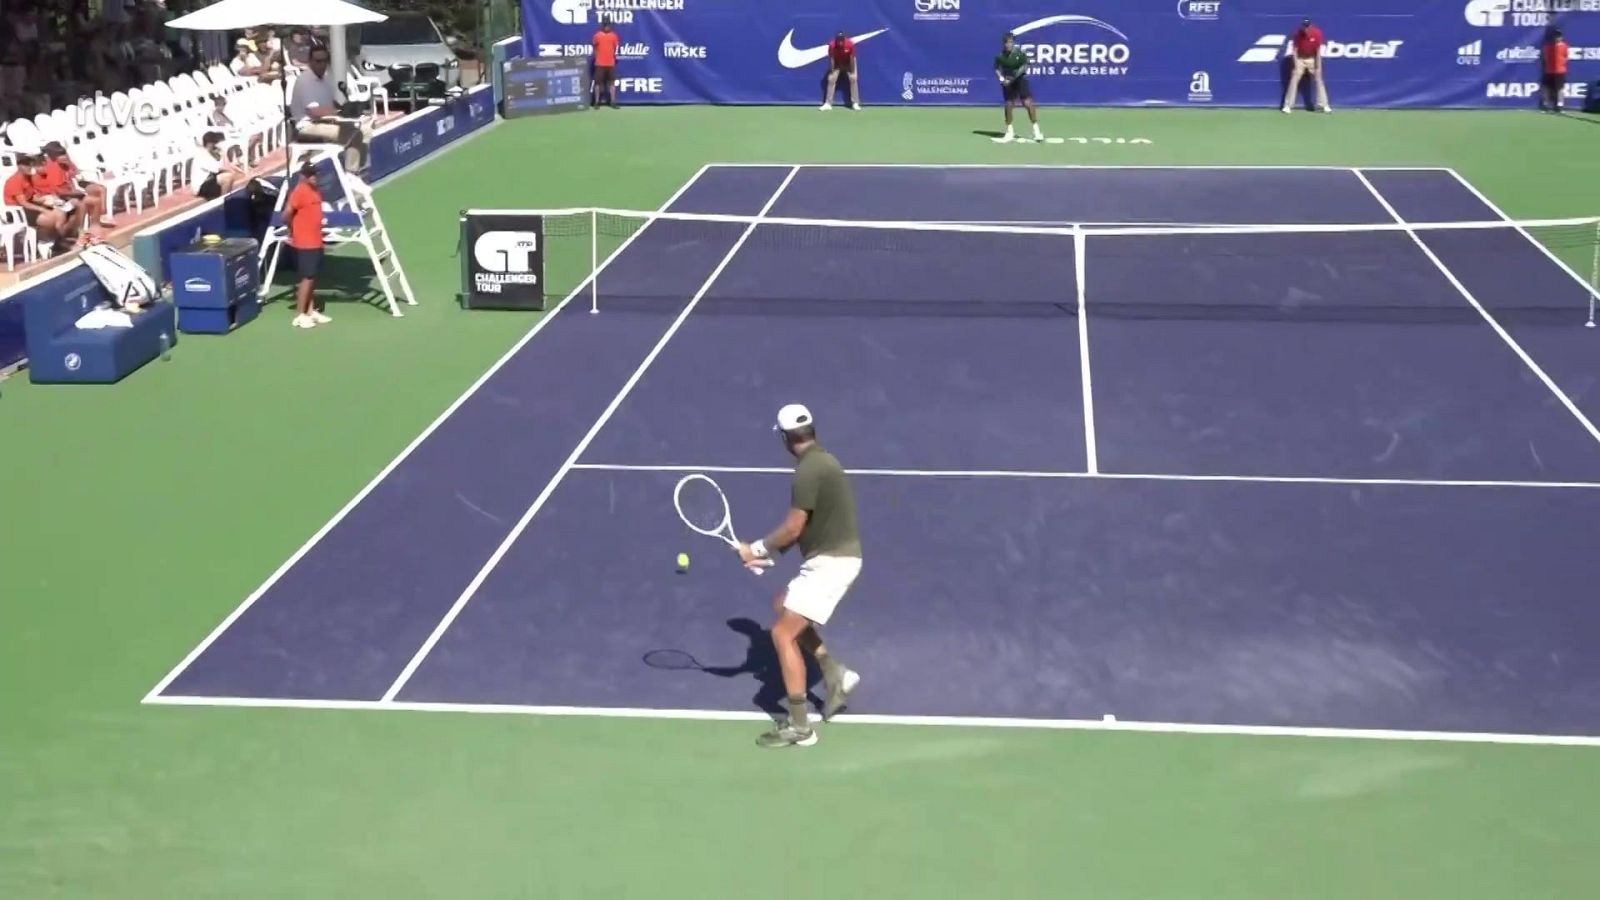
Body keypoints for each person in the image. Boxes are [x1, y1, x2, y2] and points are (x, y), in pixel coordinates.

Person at [737, 404, 864, 748]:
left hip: (833, 563)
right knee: (783, 604)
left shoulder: (808, 471)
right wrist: (770, 556)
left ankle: (800, 727)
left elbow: (794, 527)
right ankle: (833, 672)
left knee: (782, 635)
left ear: (784, 437)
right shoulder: (822, 462)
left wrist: (758, 549)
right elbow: (812, 526)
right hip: (829, 557)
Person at [284, 156, 331, 329]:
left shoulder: (315, 191)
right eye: (310, 174)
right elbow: (286, 213)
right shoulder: (300, 191)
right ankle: (300, 314)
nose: (314, 177)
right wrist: (292, 227)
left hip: (317, 240)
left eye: (315, 174)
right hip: (305, 242)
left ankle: (311, 311)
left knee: (313, 278)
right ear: (303, 175)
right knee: (306, 278)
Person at [5, 153, 85, 255]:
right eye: (26, 165)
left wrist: (45, 200)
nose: (30, 167)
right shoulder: (15, 181)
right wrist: (43, 209)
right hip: (18, 214)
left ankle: (59, 242)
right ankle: (53, 242)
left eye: (31, 164)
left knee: (60, 213)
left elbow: (32, 196)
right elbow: (23, 203)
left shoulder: (27, 178)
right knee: (52, 218)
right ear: (19, 166)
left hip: (29, 210)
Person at [994, 32, 1043, 143]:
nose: (1009, 45)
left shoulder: (1020, 54)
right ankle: (1009, 132)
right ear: (1004, 43)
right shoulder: (1000, 56)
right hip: (1008, 83)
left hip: (1020, 81)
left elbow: (1025, 66)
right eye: (1007, 42)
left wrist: (1013, 77)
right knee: (1008, 105)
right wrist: (1001, 79)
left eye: (1011, 42)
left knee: (1028, 103)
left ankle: (1037, 131)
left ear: (1013, 43)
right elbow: (996, 68)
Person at [1282, 18, 1331, 114]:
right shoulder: (1298, 34)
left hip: (1312, 59)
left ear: (1311, 26)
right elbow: (1295, 51)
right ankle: (1288, 106)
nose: (1306, 29)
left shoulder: (1317, 33)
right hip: (1300, 59)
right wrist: (1296, 65)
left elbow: (1318, 51)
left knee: (1319, 80)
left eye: (1307, 26)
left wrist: (1318, 66)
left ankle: (1324, 105)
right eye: (1304, 26)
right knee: (1294, 79)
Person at [192, 131, 250, 200]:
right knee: (227, 177)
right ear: (209, 144)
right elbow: (219, 168)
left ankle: (227, 197)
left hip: (210, 180)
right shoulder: (202, 155)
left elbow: (226, 165)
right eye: (215, 143)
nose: (216, 145)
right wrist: (233, 172)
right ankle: (222, 201)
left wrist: (241, 172)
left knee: (229, 175)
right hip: (201, 186)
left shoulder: (211, 153)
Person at [820, 31, 860, 111]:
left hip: (848, 62)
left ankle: (855, 103)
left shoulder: (850, 44)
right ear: (836, 40)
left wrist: (851, 71)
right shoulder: (832, 45)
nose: (840, 42)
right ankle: (828, 103)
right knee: (831, 79)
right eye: (838, 40)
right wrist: (832, 70)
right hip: (837, 62)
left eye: (841, 40)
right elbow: (832, 59)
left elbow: (852, 58)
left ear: (844, 39)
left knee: (853, 79)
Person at [591, 18, 619, 109]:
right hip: (600, 64)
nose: (607, 26)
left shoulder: (614, 36)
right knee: (598, 84)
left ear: (610, 25)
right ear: (602, 25)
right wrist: (598, 58)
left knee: (612, 83)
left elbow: (616, 49)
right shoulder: (597, 36)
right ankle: (596, 102)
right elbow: (594, 48)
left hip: (610, 64)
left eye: (608, 25)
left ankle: (613, 102)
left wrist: (614, 57)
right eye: (605, 25)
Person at [1541, 27, 1569, 113]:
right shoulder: (1548, 47)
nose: (1557, 38)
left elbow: (1566, 57)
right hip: (1549, 71)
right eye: (1556, 36)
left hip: (1560, 71)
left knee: (1560, 89)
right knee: (1547, 88)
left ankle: (1559, 105)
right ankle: (1545, 105)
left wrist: (1561, 66)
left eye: (1559, 36)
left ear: (1561, 37)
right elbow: (1545, 58)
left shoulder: (1565, 46)